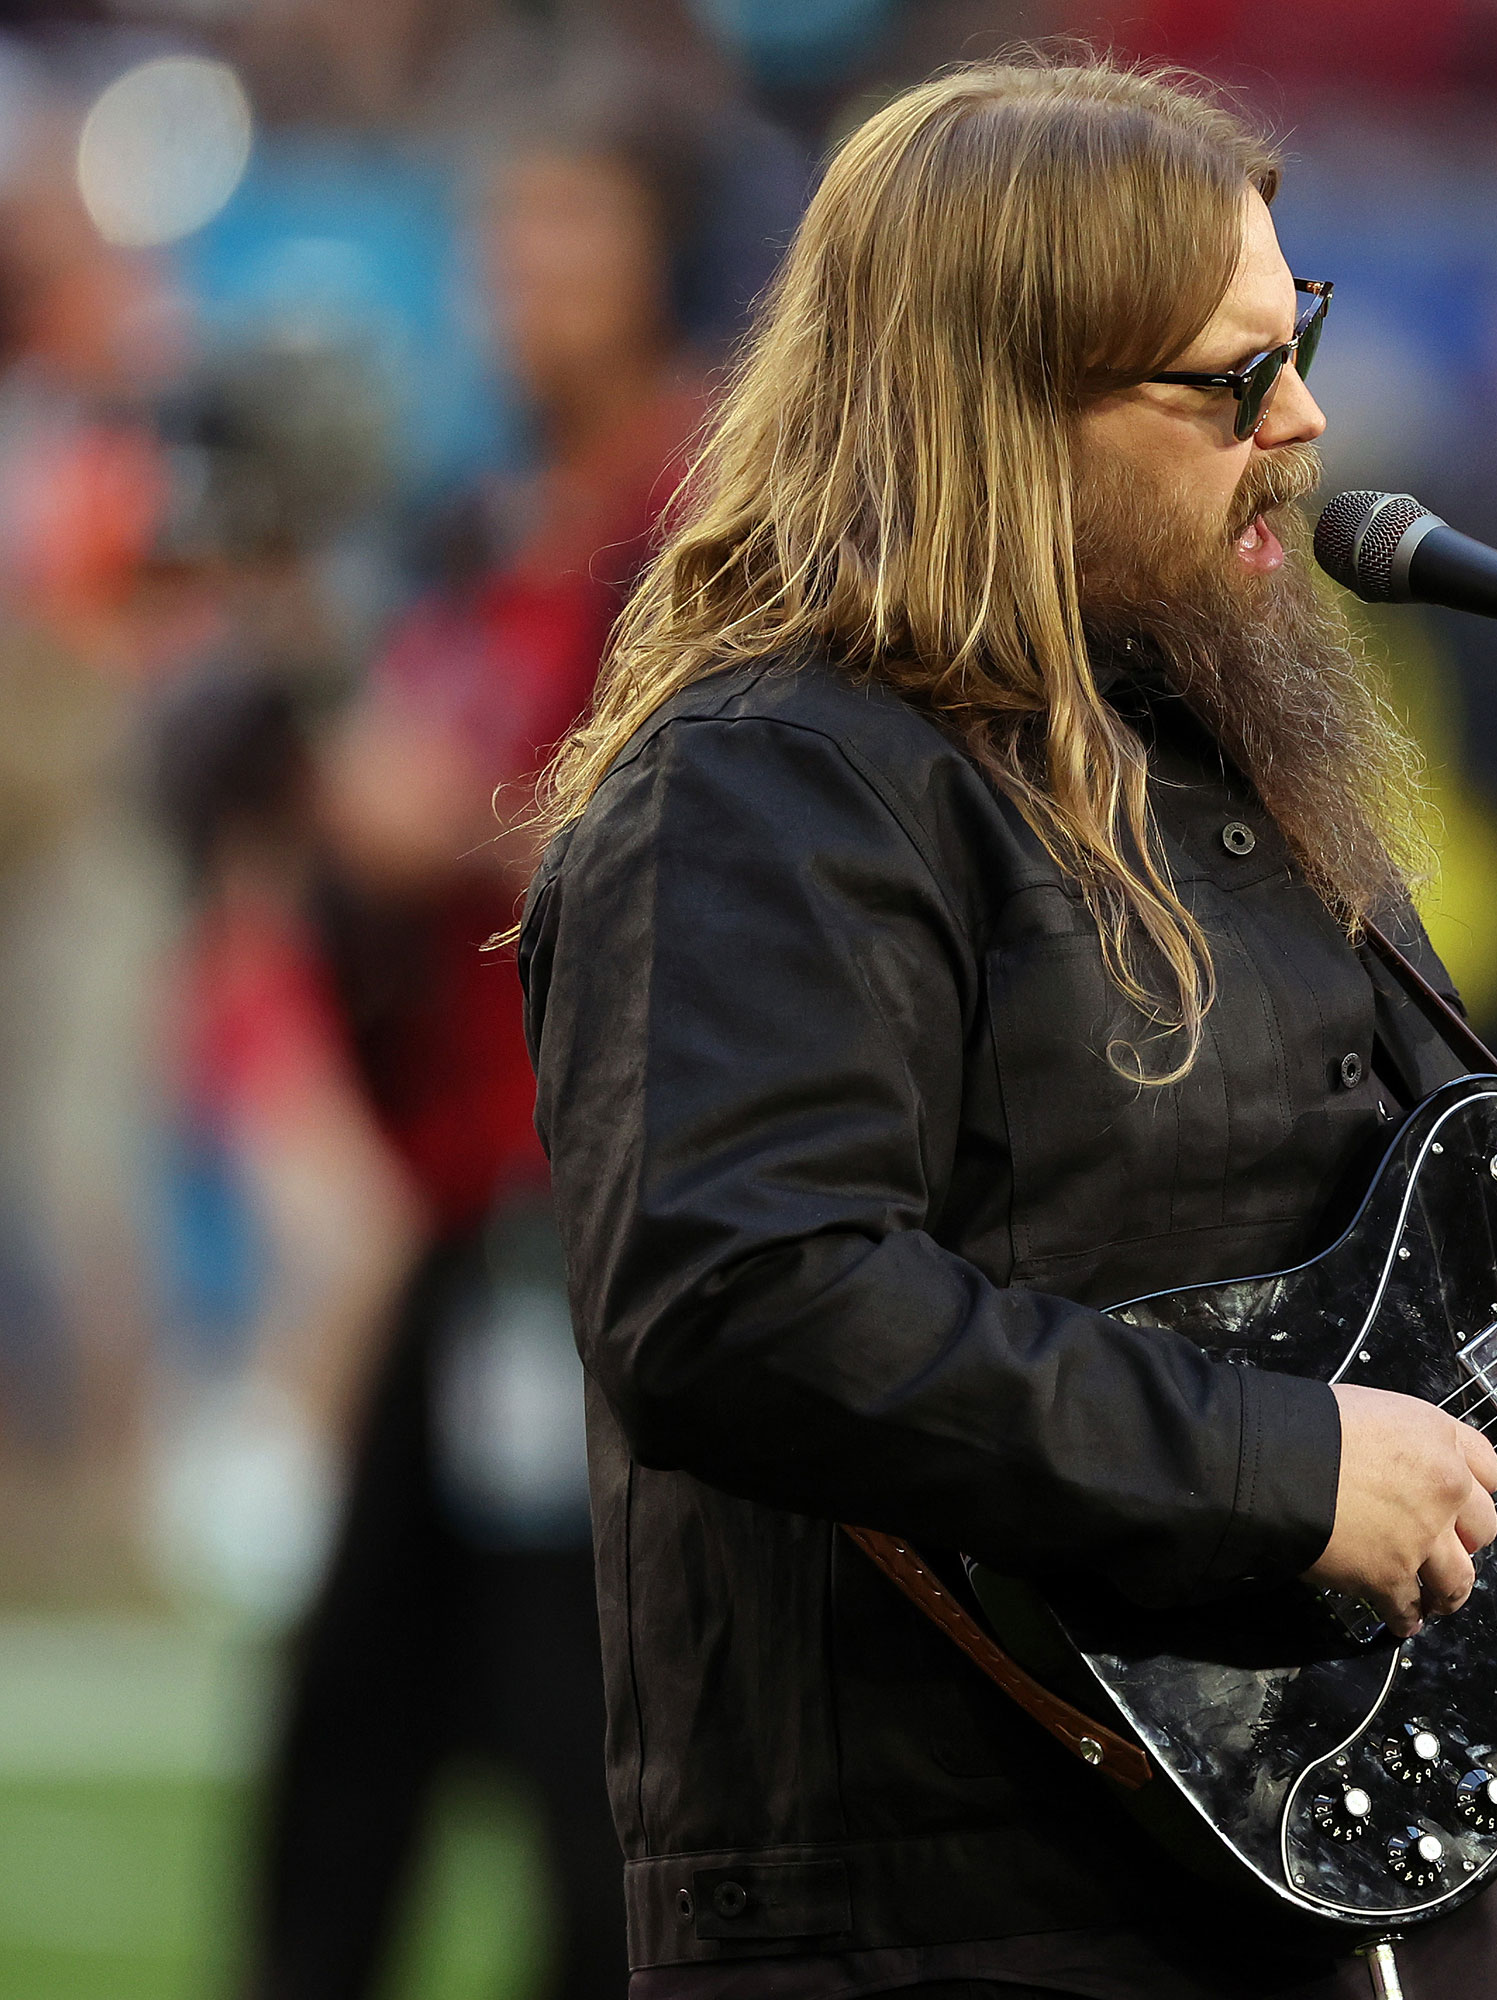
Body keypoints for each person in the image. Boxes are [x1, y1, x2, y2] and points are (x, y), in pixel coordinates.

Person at [517, 56, 1497, 2000]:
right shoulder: (771, 785)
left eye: (1292, 338)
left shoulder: (1229, 756)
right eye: (1224, 379)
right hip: (994, 1904)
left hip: (1371, 1876)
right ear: (994, 403)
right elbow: (742, 1293)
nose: (1300, 419)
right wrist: (1281, 1463)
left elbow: (1484, 1334)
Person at [242, 114, 708, 2000]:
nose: (525, 291)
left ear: (662, 258)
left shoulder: (698, 503)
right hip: (473, 1190)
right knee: (353, 1710)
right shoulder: (483, 514)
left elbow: (706, 815)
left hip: (600, 1209)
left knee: (567, 1709)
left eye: (568, 243)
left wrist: (447, 823)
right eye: (502, 247)